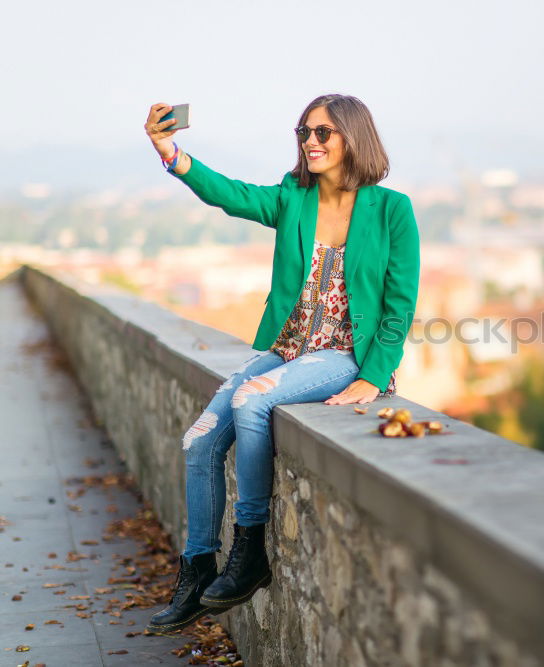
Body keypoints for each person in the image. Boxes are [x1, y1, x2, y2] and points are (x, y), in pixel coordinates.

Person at [141, 94, 420, 634]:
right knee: (198, 440)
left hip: (344, 356)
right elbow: (232, 196)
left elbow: (398, 304)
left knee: (251, 398)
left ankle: (249, 553)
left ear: (352, 139)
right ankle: (197, 571)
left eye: (323, 133)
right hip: (288, 348)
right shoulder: (296, 197)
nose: (310, 142)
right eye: (304, 132)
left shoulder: (392, 211)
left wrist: (371, 376)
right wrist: (169, 151)